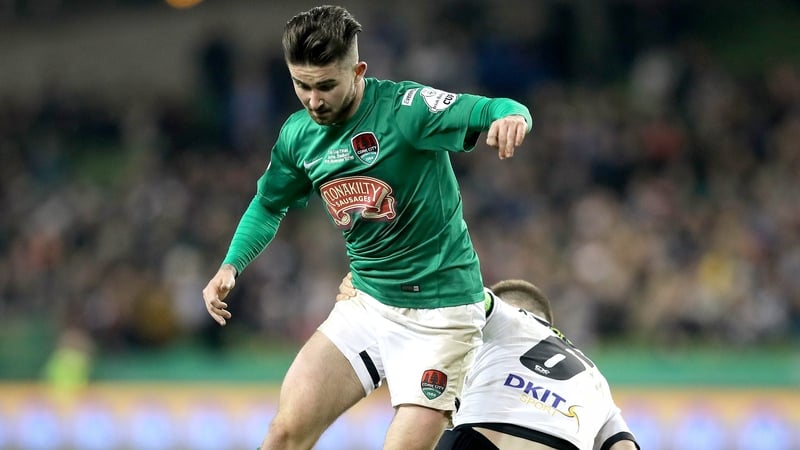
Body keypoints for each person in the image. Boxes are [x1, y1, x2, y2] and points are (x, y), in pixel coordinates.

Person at [201, 5, 532, 450]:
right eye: (301, 85)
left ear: (358, 71)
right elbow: (268, 203)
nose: (313, 100)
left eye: (325, 86)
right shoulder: (298, 136)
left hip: (442, 316)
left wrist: (513, 118)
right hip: (367, 304)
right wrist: (231, 265)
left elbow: (493, 107)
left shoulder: (407, 110)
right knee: (283, 434)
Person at [335, 274, 640, 450]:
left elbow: (450, 292)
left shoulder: (508, 319)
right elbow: (623, 447)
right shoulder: (596, 379)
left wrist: (372, 285)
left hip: (485, 439)